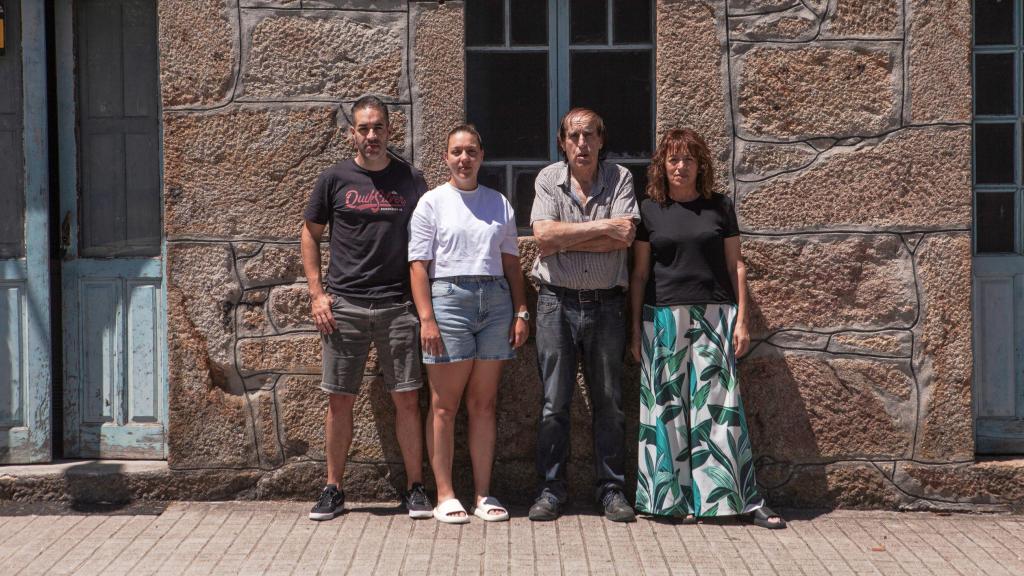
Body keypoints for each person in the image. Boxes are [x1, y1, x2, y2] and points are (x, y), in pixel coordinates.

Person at [629, 128, 785, 529]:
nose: (681, 166)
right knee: (666, 408)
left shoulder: (720, 206)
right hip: (663, 317)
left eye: (689, 159)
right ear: (662, 166)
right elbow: (640, 274)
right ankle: (669, 500)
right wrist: (635, 330)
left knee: (720, 407)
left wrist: (742, 319)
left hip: (715, 316)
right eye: (674, 159)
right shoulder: (649, 210)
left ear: (701, 165)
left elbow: (736, 265)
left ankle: (728, 499)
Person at [301, 95, 432, 521]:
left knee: (407, 400)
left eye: (378, 128)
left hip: (397, 306)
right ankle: (333, 488)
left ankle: (415, 488)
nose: (371, 135)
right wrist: (317, 294)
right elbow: (309, 234)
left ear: (390, 131)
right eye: (363, 128)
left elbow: (427, 240)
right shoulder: (334, 179)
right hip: (345, 307)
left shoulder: (411, 180)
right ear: (351, 134)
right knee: (339, 401)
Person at [408, 124, 529, 524]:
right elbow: (418, 266)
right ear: (446, 157)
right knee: (445, 405)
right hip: (448, 302)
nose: (464, 159)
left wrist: (521, 311)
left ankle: (482, 493)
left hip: (495, 303)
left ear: (481, 156)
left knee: (483, 404)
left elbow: (511, 264)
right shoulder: (431, 203)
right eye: (457, 152)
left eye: (471, 151)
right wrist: (427, 318)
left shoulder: (499, 202)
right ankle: (445, 495)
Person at [528, 108, 639, 523]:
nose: (582, 144)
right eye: (573, 136)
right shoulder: (547, 179)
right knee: (553, 403)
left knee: (609, 402)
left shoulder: (621, 178)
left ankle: (611, 490)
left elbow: (625, 235)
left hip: (607, 305)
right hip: (556, 303)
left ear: (601, 139)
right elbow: (542, 236)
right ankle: (550, 490)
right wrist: (601, 230)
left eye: (589, 135)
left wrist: (565, 240)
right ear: (562, 142)